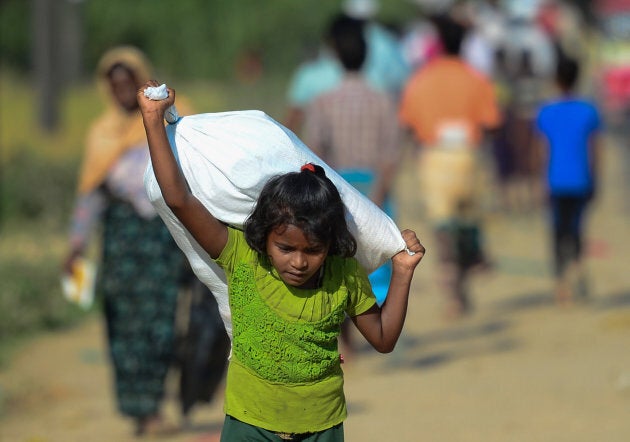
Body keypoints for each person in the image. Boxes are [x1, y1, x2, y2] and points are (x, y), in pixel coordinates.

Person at [137, 81, 425, 441]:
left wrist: (402, 272)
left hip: (322, 427)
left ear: (332, 244)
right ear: (263, 236)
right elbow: (179, 199)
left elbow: (383, 339)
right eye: (286, 248)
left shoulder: (343, 273)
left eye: (313, 250)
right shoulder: (241, 255)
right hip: (249, 425)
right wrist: (152, 122)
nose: (300, 262)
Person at [62, 46, 187, 437]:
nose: (119, 91)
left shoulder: (167, 125)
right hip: (121, 243)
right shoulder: (102, 134)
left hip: (163, 238)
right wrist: (76, 245)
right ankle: (140, 410)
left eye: (127, 83)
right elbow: (91, 196)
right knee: (124, 325)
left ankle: (155, 404)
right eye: (113, 84)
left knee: (162, 322)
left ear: (139, 82)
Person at [304, 14, 401, 355]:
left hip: (338, 187)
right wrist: (379, 191)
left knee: (337, 260)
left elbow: (314, 152)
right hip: (375, 187)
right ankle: (381, 332)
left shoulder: (323, 102)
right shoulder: (383, 101)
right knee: (380, 262)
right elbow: (391, 154)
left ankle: (343, 340)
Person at [399, 12, 501, 319]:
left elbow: (407, 124)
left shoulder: (421, 80)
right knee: (467, 225)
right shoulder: (476, 78)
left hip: (435, 158)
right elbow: (492, 123)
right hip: (468, 157)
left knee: (444, 231)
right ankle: (466, 280)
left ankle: (454, 296)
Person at [535, 56, 602, 305]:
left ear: (556, 79)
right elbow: (595, 150)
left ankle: (561, 283)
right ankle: (577, 271)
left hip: (555, 181)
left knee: (556, 232)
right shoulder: (588, 110)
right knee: (576, 229)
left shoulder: (547, 111)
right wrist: (596, 178)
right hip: (581, 180)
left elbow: (541, 151)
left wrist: (539, 181)